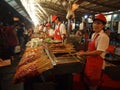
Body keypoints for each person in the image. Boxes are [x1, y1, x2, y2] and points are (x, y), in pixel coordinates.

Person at [77, 13, 109, 90]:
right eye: (94, 23)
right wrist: (84, 53)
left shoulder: (104, 37)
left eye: (98, 23)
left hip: (97, 65)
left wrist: (84, 53)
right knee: (87, 83)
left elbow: (98, 52)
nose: (95, 25)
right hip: (90, 63)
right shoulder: (94, 34)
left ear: (103, 26)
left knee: (93, 86)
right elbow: (91, 49)